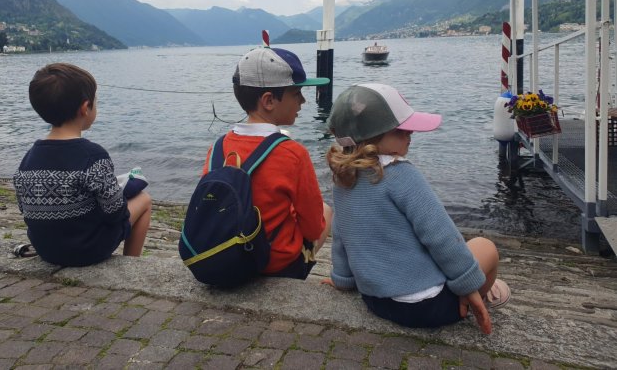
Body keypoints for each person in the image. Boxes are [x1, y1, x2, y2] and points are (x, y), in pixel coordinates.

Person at [324, 83, 510, 334]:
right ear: (372, 138)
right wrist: (467, 283)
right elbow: (441, 236)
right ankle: (480, 293)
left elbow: (342, 236)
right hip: (429, 307)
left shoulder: (343, 178)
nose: (410, 134)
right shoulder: (401, 174)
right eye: (400, 131)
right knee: (485, 247)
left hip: (377, 301)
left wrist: (343, 280)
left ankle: (470, 284)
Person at [202, 44, 333, 279]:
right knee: (326, 210)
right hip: (277, 265)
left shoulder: (217, 148)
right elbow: (313, 228)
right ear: (269, 100)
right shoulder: (293, 154)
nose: (303, 101)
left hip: (227, 256)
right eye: (297, 93)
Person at [13, 63, 152, 267]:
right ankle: (131, 265)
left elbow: (24, 208)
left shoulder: (28, 158)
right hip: (87, 250)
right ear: (85, 108)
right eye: (96, 101)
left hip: (46, 249)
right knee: (144, 199)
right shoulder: (93, 156)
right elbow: (116, 213)